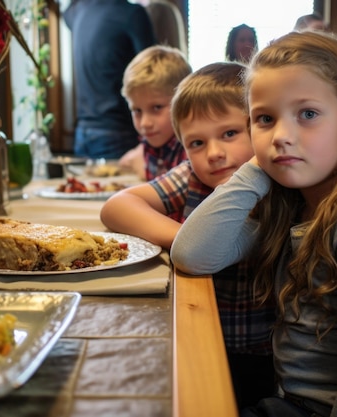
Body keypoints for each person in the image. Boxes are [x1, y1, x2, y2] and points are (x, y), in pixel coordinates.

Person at [171, 31, 337, 416]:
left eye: (308, 114)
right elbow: (192, 253)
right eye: (264, 119)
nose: (281, 136)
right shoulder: (292, 202)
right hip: (296, 404)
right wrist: (257, 167)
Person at [102, 62, 276, 409]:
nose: (213, 153)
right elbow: (116, 207)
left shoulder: (279, 181)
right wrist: (189, 236)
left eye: (229, 134)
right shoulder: (193, 178)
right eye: (197, 143)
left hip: (265, 349)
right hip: (199, 334)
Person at [63, 0, 156, 159]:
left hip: (82, 132)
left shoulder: (78, 11)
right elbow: (154, 70)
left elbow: (66, 12)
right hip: (117, 131)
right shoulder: (132, 14)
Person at [118, 45, 192, 181]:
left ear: (183, 102)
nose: (145, 123)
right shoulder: (149, 143)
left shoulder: (191, 149)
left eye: (157, 107)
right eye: (137, 110)